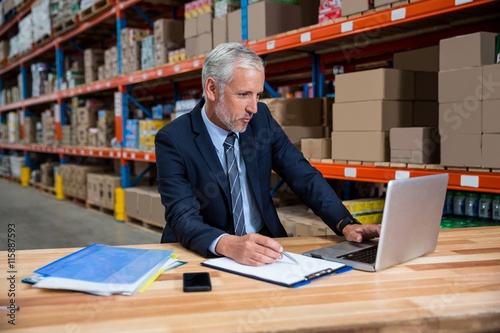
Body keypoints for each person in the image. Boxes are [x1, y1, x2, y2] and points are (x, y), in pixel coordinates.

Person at [155, 42, 380, 266]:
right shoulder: (173, 139)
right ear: (212, 89)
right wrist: (227, 244)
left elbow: (302, 174)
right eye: (243, 94)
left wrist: (345, 223)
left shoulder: (260, 119)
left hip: (266, 247)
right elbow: (181, 215)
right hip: (201, 251)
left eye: (258, 95)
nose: (253, 107)